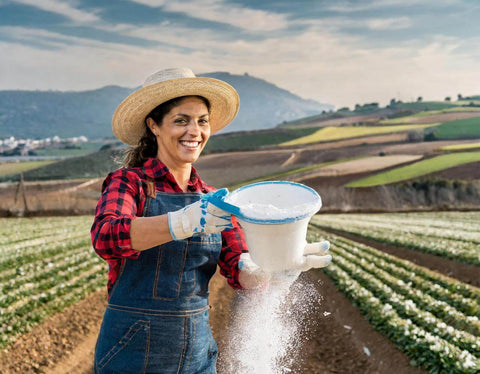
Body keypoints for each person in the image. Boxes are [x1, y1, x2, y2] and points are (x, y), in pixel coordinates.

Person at [91, 67, 332, 374]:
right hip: (132, 349)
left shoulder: (215, 199)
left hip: (197, 353)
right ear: (154, 125)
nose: (195, 131)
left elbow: (239, 270)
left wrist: (279, 267)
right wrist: (182, 222)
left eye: (202, 121)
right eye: (181, 120)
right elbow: (106, 236)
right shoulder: (130, 183)